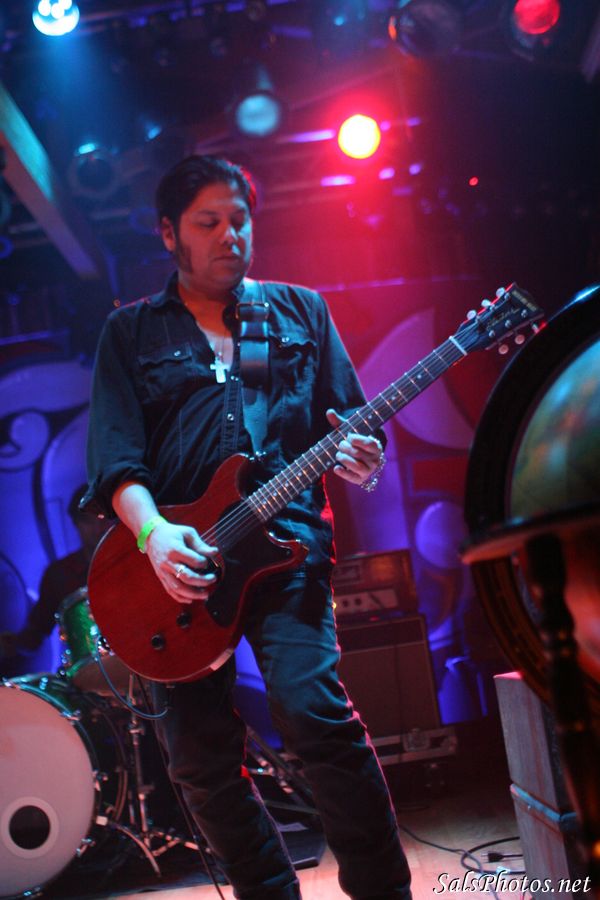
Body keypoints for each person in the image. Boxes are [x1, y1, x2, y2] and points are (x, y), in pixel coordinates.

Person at [83, 155, 412, 899]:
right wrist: (154, 537)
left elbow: (353, 429)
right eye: (209, 222)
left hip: (288, 546)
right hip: (180, 563)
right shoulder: (130, 333)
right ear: (169, 233)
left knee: (314, 713)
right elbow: (114, 463)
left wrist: (364, 460)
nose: (230, 235)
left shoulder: (301, 312)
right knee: (199, 761)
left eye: (240, 220)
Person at [0, 485, 109, 669]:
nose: (98, 528)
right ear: (76, 523)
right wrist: (12, 644)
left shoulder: (131, 560)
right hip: (89, 671)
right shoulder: (59, 574)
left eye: (103, 518)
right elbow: (35, 634)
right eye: (88, 521)